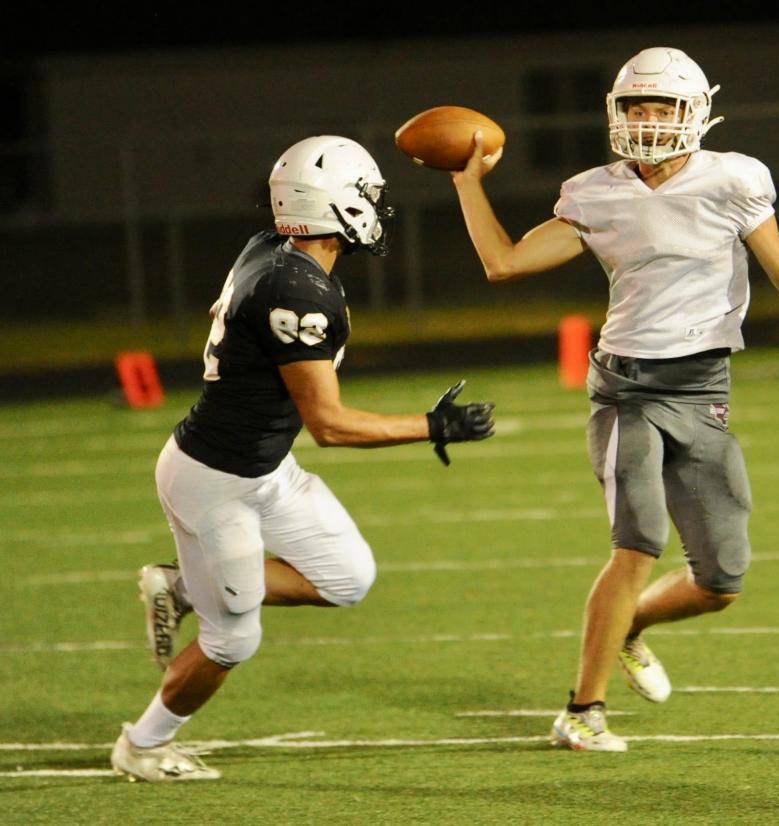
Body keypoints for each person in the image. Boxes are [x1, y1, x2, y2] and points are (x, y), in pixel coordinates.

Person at [450, 47, 779, 752]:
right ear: (616, 111)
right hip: (626, 385)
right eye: (636, 105)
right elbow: (503, 262)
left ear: (695, 112)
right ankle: (583, 709)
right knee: (636, 543)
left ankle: (631, 625)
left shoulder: (734, 179)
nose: (647, 119)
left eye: (661, 106)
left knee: (721, 581)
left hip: (702, 388)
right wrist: (466, 182)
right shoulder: (596, 192)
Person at [111, 135, 495, 781]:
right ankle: (143, 745)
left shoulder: (272, 251)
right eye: (368, 195)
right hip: (215, 479)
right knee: (233, 637)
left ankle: (180, 585)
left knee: (346, 578)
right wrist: (433, 425)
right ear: (336, 204)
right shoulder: (298, 293)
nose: (375, 207)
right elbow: (331, 426)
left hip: (264, 466)